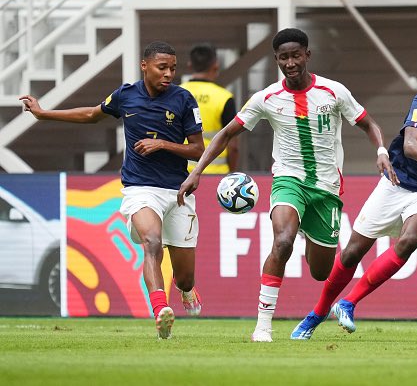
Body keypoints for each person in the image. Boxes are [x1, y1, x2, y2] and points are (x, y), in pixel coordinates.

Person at [177, 28, 397, 342]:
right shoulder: (266, 98)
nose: (290, 62)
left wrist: (380, 151)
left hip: (326, 188)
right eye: (283, 57)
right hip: (288, 180)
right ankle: (263, 326)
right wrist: (197, 172)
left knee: (320, 271)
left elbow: (368, 123)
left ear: (307, 55)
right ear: (277, 59)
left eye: (296, 55)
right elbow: (225, 134)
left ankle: (309, 230)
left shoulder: (334, 92)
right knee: (282, 241)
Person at [291, 65, 417, 340]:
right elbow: (411, 145)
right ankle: (316, 314)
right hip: (396, 182)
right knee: (352, 253)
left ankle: (348, 303)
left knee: (410, 239)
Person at [20, 41, 205, 340]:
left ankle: (185, 290)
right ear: (144, 66)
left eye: (173, 68)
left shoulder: (184, 99)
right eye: (162, 67)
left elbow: (199, 150)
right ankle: (160, 311)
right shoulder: (126, 95)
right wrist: (44, 114)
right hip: (140, 188)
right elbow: (91, 114)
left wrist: (162, 144)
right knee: (152, 242)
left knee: (185, 277)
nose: (169, 73)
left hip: (178, 192)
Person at [181, 42, 238, 174]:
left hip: (184, 173)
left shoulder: (177, 94)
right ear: (216, 65)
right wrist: (231, 173)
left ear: (189, 65)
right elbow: (233, 146)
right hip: (216, 174)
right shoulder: (225, 97)